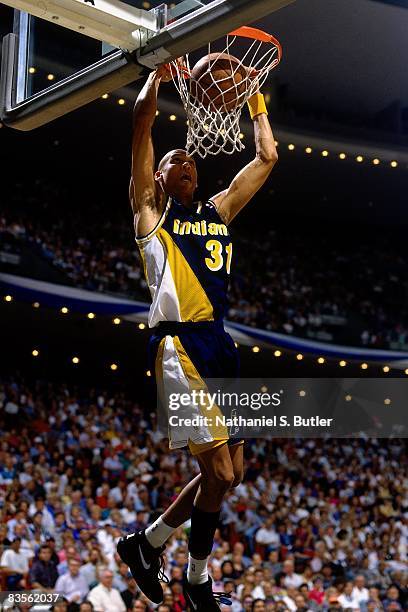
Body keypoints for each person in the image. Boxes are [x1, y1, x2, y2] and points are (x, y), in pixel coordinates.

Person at [117, 61, 277, 611]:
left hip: (221, 345)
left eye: (186, 157)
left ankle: (149, 543)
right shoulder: (149, 214)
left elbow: (267, 157)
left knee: (230, 478)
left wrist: (255, 98)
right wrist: (155, 77)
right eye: (169, 160)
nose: (181, 160)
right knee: (219, 471)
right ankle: (195, 576)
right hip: (177, 345)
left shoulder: (219, 211)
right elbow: (141, 121)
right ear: (157, 179)